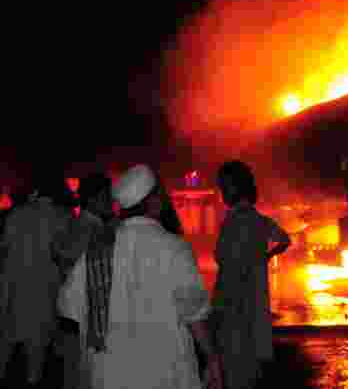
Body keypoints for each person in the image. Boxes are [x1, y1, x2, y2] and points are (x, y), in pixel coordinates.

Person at [57, 164, 222, 389]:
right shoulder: (174, 247)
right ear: (153, 202)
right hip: (163, 374)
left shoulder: (96, 250)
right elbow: (194, 311)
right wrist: (212, 358)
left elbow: (67, 306)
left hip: (108, 376)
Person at [213, 160, 291, 389]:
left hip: (231, 302)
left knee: (234, 365)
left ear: (233, 188)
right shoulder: (261, 220)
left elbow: (221, 257)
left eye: (224, 187)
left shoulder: (232, 221)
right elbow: (285, 240)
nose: (222, 192)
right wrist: (267, 256)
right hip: (255, 300)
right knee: (251, 365)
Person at [0, 171, 74, 386]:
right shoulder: (61, 217)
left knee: (5, 352)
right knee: (35, 364)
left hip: (11, 295)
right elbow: (66, 257)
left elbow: (4, 250)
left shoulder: (15, 214)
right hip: (42, 297)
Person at [52, 172, 116, 389]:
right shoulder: (92, 229)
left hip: (75, 316)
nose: (112, 202)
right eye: (107, 197)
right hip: (85, 318)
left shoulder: (80, 223)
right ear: (93, 199)